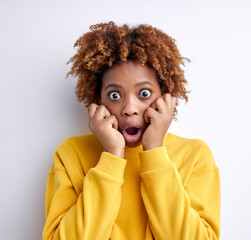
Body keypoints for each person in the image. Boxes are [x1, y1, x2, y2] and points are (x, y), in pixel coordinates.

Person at [42, 21, 220, 240]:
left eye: (144, 93)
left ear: (165, 96)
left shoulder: (195, 155)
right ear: (99, 100)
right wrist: (112, 156)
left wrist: (154, 150)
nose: (129, 109)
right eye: (115, 96)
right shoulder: (71, 154)